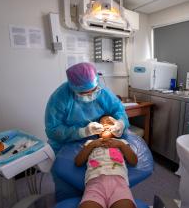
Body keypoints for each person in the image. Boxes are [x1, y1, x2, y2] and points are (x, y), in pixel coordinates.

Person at [45, 62, 129, 201]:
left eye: (93, 90)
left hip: (97, 145)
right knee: (68, 187)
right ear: (73, 88)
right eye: (84, 93)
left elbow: (119, 111)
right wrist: (82, 132)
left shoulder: (103, 93)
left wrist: (120, 123)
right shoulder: (59, 98)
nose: (91, 95)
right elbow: (53, 130)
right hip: (64, 145)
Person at [75, 115, 137, 208]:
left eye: (109, 122)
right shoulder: (90, 143)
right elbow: (78, 162)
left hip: (119, 183)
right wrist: (91, 145)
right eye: (101, 124)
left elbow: (134, 161)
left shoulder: (122, 142)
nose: (105, 125)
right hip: (94, 184)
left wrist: (121, 145)